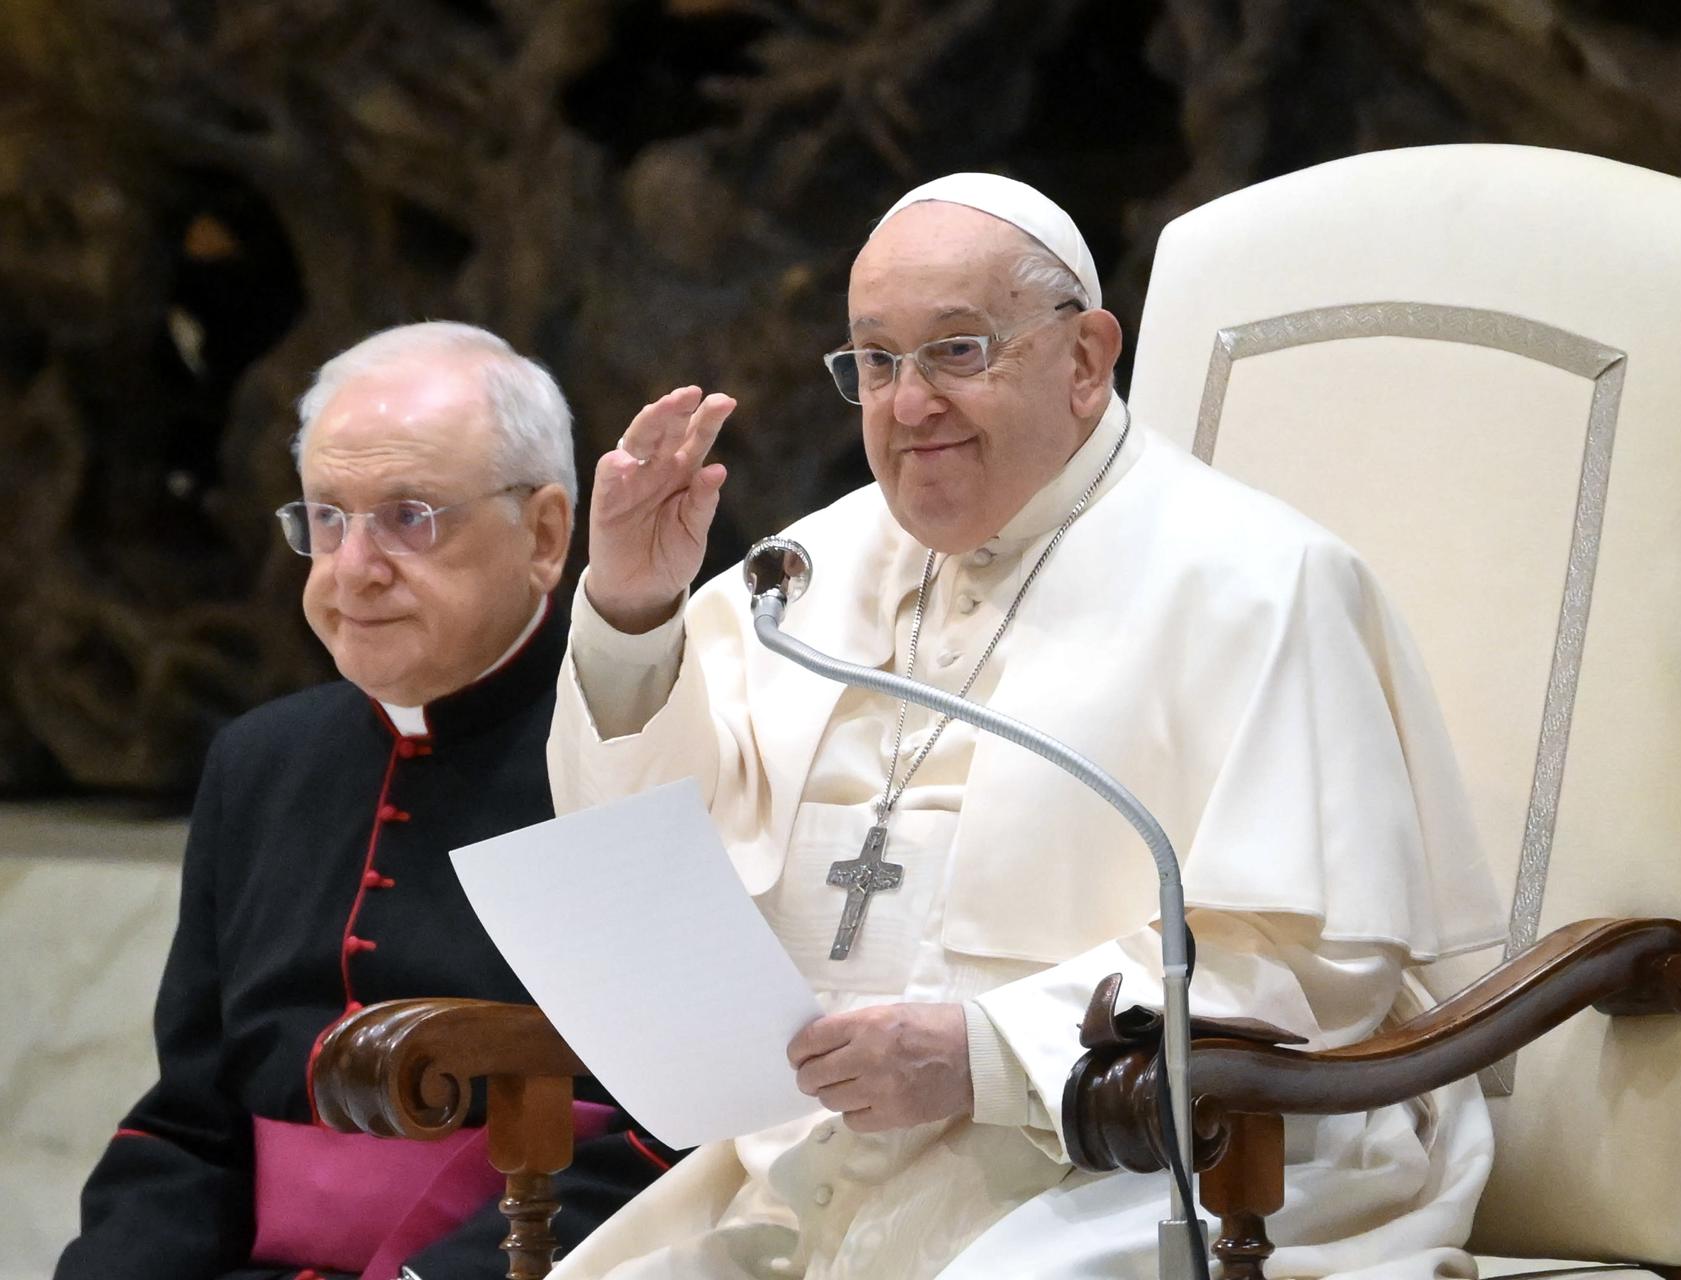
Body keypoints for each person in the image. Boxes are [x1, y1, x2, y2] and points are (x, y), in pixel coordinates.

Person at [546, 176, 1506, 1279]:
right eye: (875, 361)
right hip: (828, 1150)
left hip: (1170, 1151)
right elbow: (638, 862)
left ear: (1087, 361)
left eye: (957, 351)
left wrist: (990, 1054)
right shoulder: (803, 576)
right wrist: (630, 613)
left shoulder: (1256, 582)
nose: (908, 405)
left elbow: (1310, 962)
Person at [57, 323, 678, 1280]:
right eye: (326, 518)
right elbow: (194, 1123)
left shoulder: (639, 744)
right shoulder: (259, 762)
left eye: (409, 517)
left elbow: (673, 1135)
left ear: (547, 534)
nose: (354, 568)